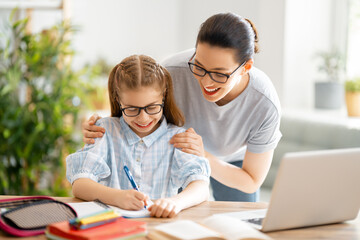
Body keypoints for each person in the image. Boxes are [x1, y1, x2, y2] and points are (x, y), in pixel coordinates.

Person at [82, 13, 281, 202]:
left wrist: (202, 154)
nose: (206, 81)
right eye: (199, 66)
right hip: (177, 154)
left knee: (240, 228)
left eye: (219, 74)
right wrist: (102, 125)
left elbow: (251, 181)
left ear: (246, 67)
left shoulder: (264, 103)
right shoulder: (172, 72)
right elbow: (140, 106)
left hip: (232, 164)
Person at [66, 55, 210, 218]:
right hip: (111, 227)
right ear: (118, 100)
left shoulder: (178, 137)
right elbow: (79, 185)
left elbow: (201, 187)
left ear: (163, 97)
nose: (143, 118)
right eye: (132, 109)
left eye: (152, 107)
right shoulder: (105, 131)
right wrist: (117, 197)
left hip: (158, 225)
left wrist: (175, 202)